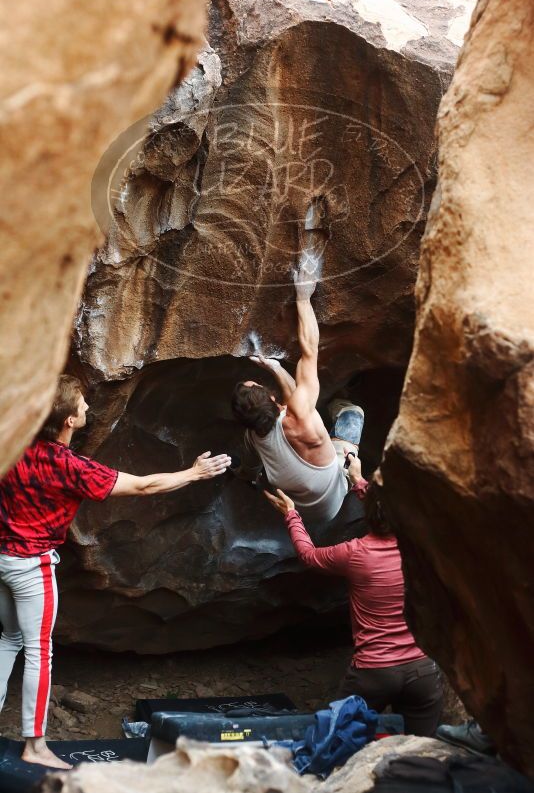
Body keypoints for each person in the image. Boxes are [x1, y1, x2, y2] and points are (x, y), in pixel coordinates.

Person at [0, 374, 231, 769]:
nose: (88, 407)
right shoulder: (68, 466)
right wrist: (194, 473)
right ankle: (34, 746)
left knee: (8, 639)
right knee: (40, 651)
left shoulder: (13, 447)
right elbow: (142, 487)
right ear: (69, 421)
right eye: (82, 405)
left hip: (3, 556)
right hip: (32, 565)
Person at [265, 452, 443, 737]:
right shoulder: (418, 545)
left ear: (368, 514)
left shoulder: (356, 553)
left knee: (332, 739)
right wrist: (358, 480)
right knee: (424, 749)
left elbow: (309, 555)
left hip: (374, 673)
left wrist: (291, 515)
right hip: (422, 670)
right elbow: (391, 513)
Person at [231, 268, 364, 523]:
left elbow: (291, 408)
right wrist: (303, 296)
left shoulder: (253, 436)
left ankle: (242, 476)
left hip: (305, 514)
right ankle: (339, 399)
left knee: (251, 469)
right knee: (351, 414)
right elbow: (310, 350)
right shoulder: (300, 414)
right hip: (336, 493)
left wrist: (276, 367)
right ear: (272, 400)